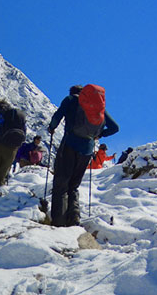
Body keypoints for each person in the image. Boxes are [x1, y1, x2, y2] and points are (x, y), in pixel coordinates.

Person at [48, 84, 119, 227]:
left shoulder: (69, 100)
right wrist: (99, 134)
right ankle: (74, 219)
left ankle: (59, 223)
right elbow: (115, 127)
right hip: (87, 149)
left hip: (69, 145)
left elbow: (57, 116)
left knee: (61, 184)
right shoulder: (97, 106)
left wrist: (51, 128)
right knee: (73, 186)